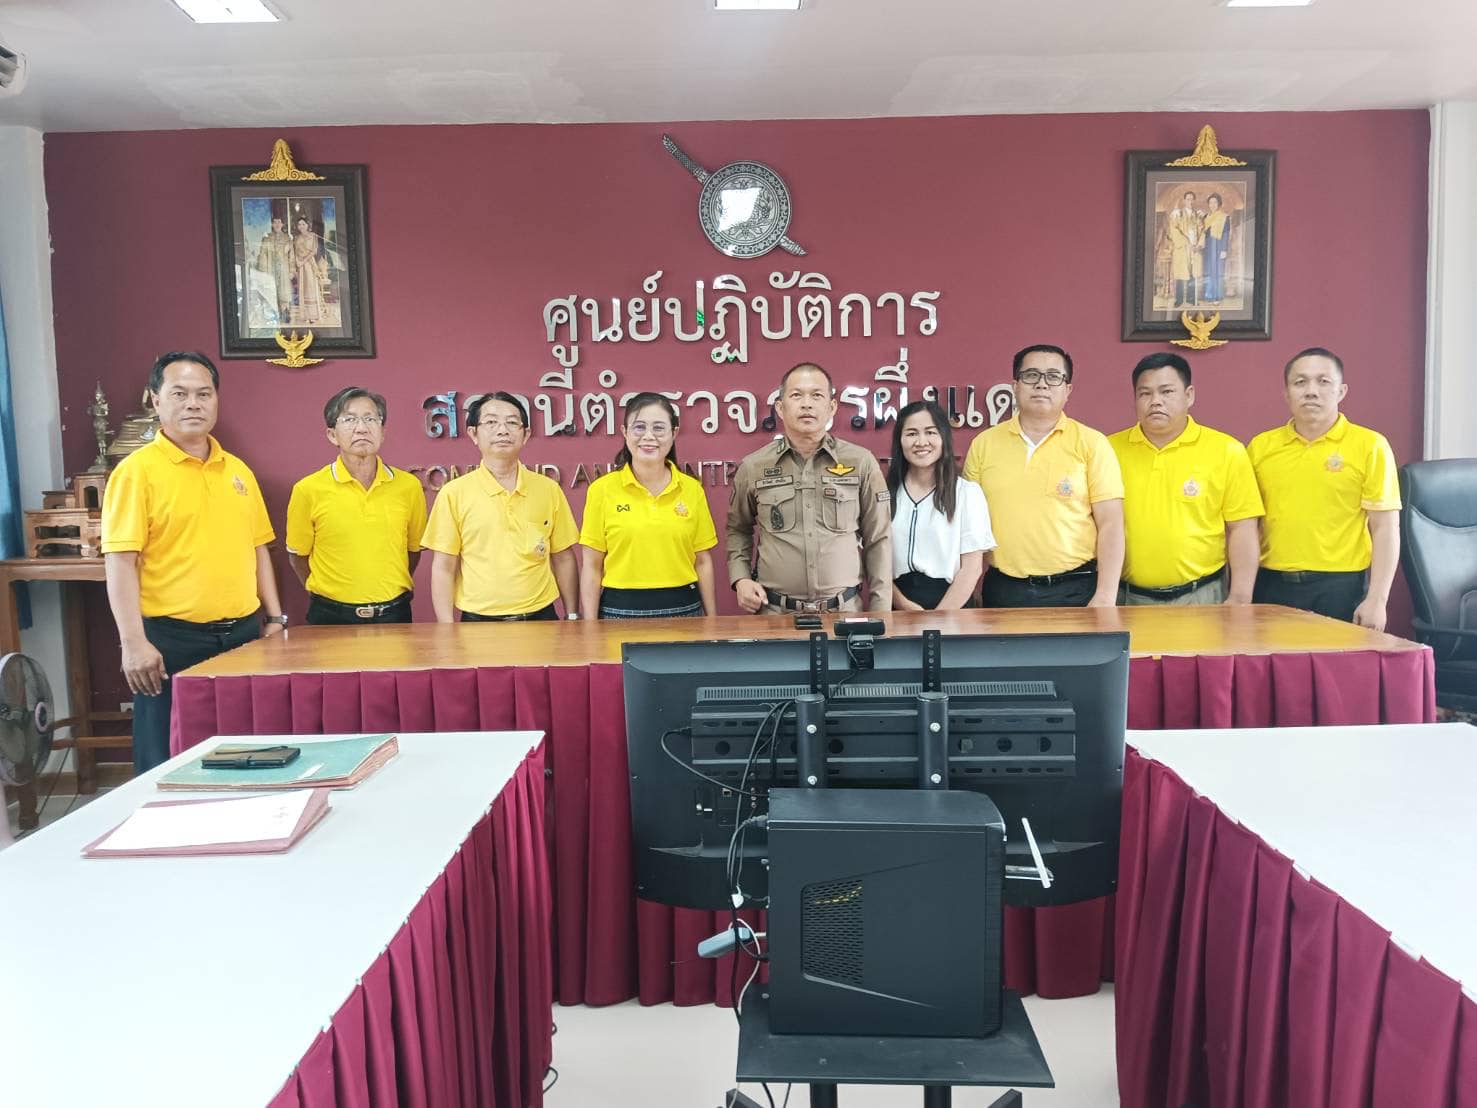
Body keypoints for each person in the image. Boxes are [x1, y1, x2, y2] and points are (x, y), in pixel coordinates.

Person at [101, 351, 284, 772]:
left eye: (204, 394)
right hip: (169, 643)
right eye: (179, 394)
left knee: (244, 756)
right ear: (156, 400)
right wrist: (133, 643)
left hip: (242, 638)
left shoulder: (237, 471)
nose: (193, 404)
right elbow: (120, 562)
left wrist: (275, 618)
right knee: (165, 761)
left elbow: (258, 549)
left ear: (217, 399)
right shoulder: (135, 473)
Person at [1247, 347, 1402, 628]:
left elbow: (1385, 528)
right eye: (1300, 382)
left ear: (1341, 391)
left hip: (1340, 587)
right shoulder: (1261, 447)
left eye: (1323, 381)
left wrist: (1377, 599)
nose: (1311, 391)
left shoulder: (1370, 446)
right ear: (1286, 394)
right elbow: (1246, 525)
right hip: (1271, 584)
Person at [962, 344, 1124, 608]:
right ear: (1015, 386)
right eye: (1031, 375)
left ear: (1068, 389)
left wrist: (1105, 595)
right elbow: (970, 527)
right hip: (1004, 589)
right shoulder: (984, 444)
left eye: (1053, 376)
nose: (1041, 384)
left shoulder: (1092, 443)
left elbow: (1111, 524)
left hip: (1076, 589)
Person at [728, 362, 892, 614]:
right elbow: (738, 529)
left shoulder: (861, 462)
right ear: (780, 408)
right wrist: (740, 578)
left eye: (816, 395)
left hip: (844, 612)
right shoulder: (754, 466)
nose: (807, 404)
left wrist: (881, 610)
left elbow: (878, 538)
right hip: (774, 613)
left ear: (832, 407)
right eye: (796, 395)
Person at [1109, 353, 1263, 605]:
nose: (1155, 401)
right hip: (1127, 597)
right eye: (1145, 393)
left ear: (1189, 395)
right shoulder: (1108, 450)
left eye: (1167, 392)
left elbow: (1242, 528)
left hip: (1202, 595)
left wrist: (1240, 596)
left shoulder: (1226, 450)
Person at [421, 392, 579, 622]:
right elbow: (444, 567)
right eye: (491, 422)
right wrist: (447, 628)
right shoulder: (453, 494)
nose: (502, 430)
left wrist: (572, 614)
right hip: (478, 622)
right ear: (473, 434)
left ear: (526, 435)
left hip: (541, 618)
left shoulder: (548, 489)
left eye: (512, 422)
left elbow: (563, 557)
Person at [284, 387, 428, 624]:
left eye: (370, 419)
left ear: (382, 432)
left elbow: (413, 551)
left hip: (393, 614)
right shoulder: (308, 489)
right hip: (330, 616)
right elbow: (297, 556)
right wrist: (328, 595)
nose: (362, 428)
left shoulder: (408, 486)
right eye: (350, 419)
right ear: (332, 435)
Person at [579, 393, 718, 619]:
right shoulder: (601, 490)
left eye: (659, 428)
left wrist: (712, 620)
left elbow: (702, 562)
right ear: (625, 432)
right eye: (639, 427)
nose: (649, 436)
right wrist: (590, 625)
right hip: (619, 612)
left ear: (674, 433)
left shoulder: (692, 490)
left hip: (684, 611)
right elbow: (592, 566)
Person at [887, 399, 995, 610]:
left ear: (944, 437)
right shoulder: (885, 493)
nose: (921, 442)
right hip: (898, 606)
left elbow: (972, 569)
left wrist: (939, 618)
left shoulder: (966, 493)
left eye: (930, 432)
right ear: (899, 440)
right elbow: (875, 564)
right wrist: (903, 605)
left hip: (953, 606)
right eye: (911, 433)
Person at [254, 214, 293, 324]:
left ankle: (285, 313)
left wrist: (292, 270)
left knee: (284, 292)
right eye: (275, 222)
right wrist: (263, 271)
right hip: (270, 268)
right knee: (271, 291)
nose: (277, 224)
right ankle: (273, 315)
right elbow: (262, 254)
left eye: (279, 222)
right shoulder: (267, 238)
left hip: (283, 269)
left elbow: (292, 256)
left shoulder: (287, 239)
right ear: (272, 224)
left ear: (282, 224)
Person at [1167, 190, 1202, 307]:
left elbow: (1202, 230)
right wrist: (1186, 242)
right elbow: (1173, 229)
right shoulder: (1178, 214)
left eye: (1192, 199)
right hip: (1182, 248)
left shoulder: (1197, 215)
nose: (1190, 201)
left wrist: (1199, 244)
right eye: (1188, 199)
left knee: (1193, 274)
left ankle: (1192, 299)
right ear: (1184, 200)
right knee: (1181, 274)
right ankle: (1179, 299)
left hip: (1194, 248)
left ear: (1194, 201)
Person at [292, 214, 325, 325]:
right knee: (303, 289)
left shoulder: (313, 236)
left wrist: (303, 261)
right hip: (300, 266)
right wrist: (298, 262)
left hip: (310, 265)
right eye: (299, 224)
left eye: (303, 224)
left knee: (311, 288)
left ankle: (313, 316)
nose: (301, 226)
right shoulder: (297, 238)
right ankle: (305, 315)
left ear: (307, 225)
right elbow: (295, 252)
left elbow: (314, 251)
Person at [1201, 193, 1231, 304]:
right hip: (1208, 246)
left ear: (1219, 204)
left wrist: (1224, 249)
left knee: (1217, 270)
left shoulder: (1224, 217)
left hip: (1218, 245)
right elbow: (1203, 232)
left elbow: (1226, 234)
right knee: (1208, 270)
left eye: (1215, 202)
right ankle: (1208, 295)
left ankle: (1217, 296)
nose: (1212, 205)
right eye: (1210, 202)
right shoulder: (1206, 217)